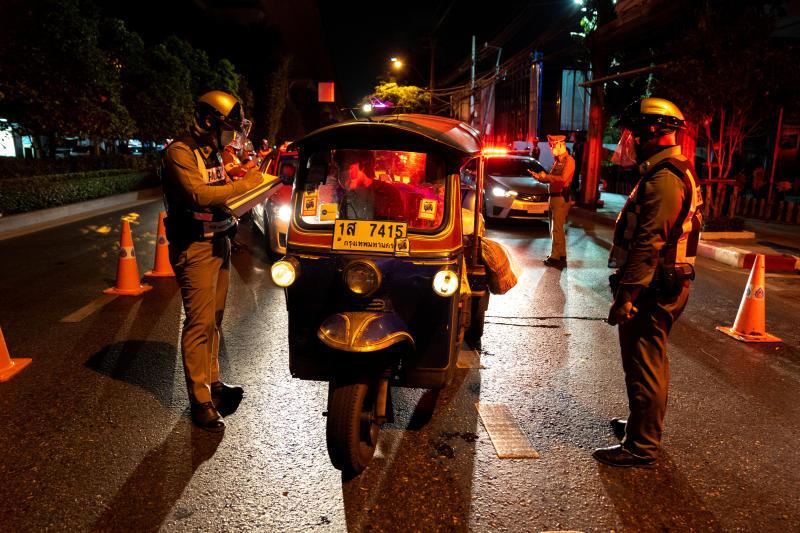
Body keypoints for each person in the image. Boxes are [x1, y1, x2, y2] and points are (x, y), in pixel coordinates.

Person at [594, 97, 703, 467]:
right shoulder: (666, 170)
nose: (630, 140)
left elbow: (649, 243)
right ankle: (641, 425)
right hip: (659, 282)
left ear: (652, 132)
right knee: (645, 362)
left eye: (635, 132)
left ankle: (641, 446)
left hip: (654, 286)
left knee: (645, 364)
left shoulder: (666, 178)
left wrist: (626, 296)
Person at [161, 90, 263, 431]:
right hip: (195, 247)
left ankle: (214, 383)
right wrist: (244, 185)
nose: (233, 136)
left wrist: (248, 188)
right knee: (199, 323)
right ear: (208, 122)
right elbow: (199, 195)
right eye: (228, 128)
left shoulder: (213, 153)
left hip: (220, 242)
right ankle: (200, 400)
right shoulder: (180, 152)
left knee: (215, 320)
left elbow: (219, 190)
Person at [528, 134, 575, 268]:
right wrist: (539, 177)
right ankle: (561, 254)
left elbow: (563, 179)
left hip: (560, 197)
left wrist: (547, 177)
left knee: (557, 228)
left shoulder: (569, 161)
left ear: (561, 145)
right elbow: (551, 178)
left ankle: (556, 256)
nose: (551, 148)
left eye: (553, 146)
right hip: (553, 196)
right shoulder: (557, 161)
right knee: (555, 228)